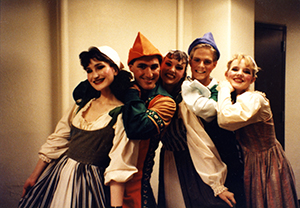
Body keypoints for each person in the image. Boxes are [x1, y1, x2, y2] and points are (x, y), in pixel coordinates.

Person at [18, 46, 138, 208]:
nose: (94, 75)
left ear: (115, 69)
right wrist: (33, 177)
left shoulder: (121, 114)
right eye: (89, 70)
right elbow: (57, 140)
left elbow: (118, 168)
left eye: (100, 67)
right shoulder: (81, 106)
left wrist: (116, 207)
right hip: (59, 177)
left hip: (91, 185)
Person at [104, 32, 176, 208]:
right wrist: (115, 73)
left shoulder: (165, 101)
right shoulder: (122, 88)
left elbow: (136, 128)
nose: (149, 73)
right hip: (106, 181)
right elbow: (80, 92)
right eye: (142, 66)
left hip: (137, 191)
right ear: (131, 68)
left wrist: (131, 91)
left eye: (154, 67)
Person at [217, 53, 299, 208]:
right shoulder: (238, 99)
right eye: (235, 69)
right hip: (251, 163)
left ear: (252, 79)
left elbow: (225, 119)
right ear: (227, 74)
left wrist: (224, 90)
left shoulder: (255, 99)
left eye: (246, 71)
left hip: (268, 163)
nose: (240, 73)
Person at [158, 50, 236, 208]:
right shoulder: (153, 91)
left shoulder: (186, 97)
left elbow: (198, 139)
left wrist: (216, 184)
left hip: (192, 160)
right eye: (168, 64)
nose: (172, 70)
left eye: (179, 67)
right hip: (168, 158)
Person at [181, 32, 246, 207]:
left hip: (231, 157)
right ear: (190, 61)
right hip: (204, 163)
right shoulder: (187, 92)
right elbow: (207, 112)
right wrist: (225, 106)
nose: (201, 66)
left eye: (207, 61)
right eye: (197, 60)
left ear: (214, 64)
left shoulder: (223, 87)